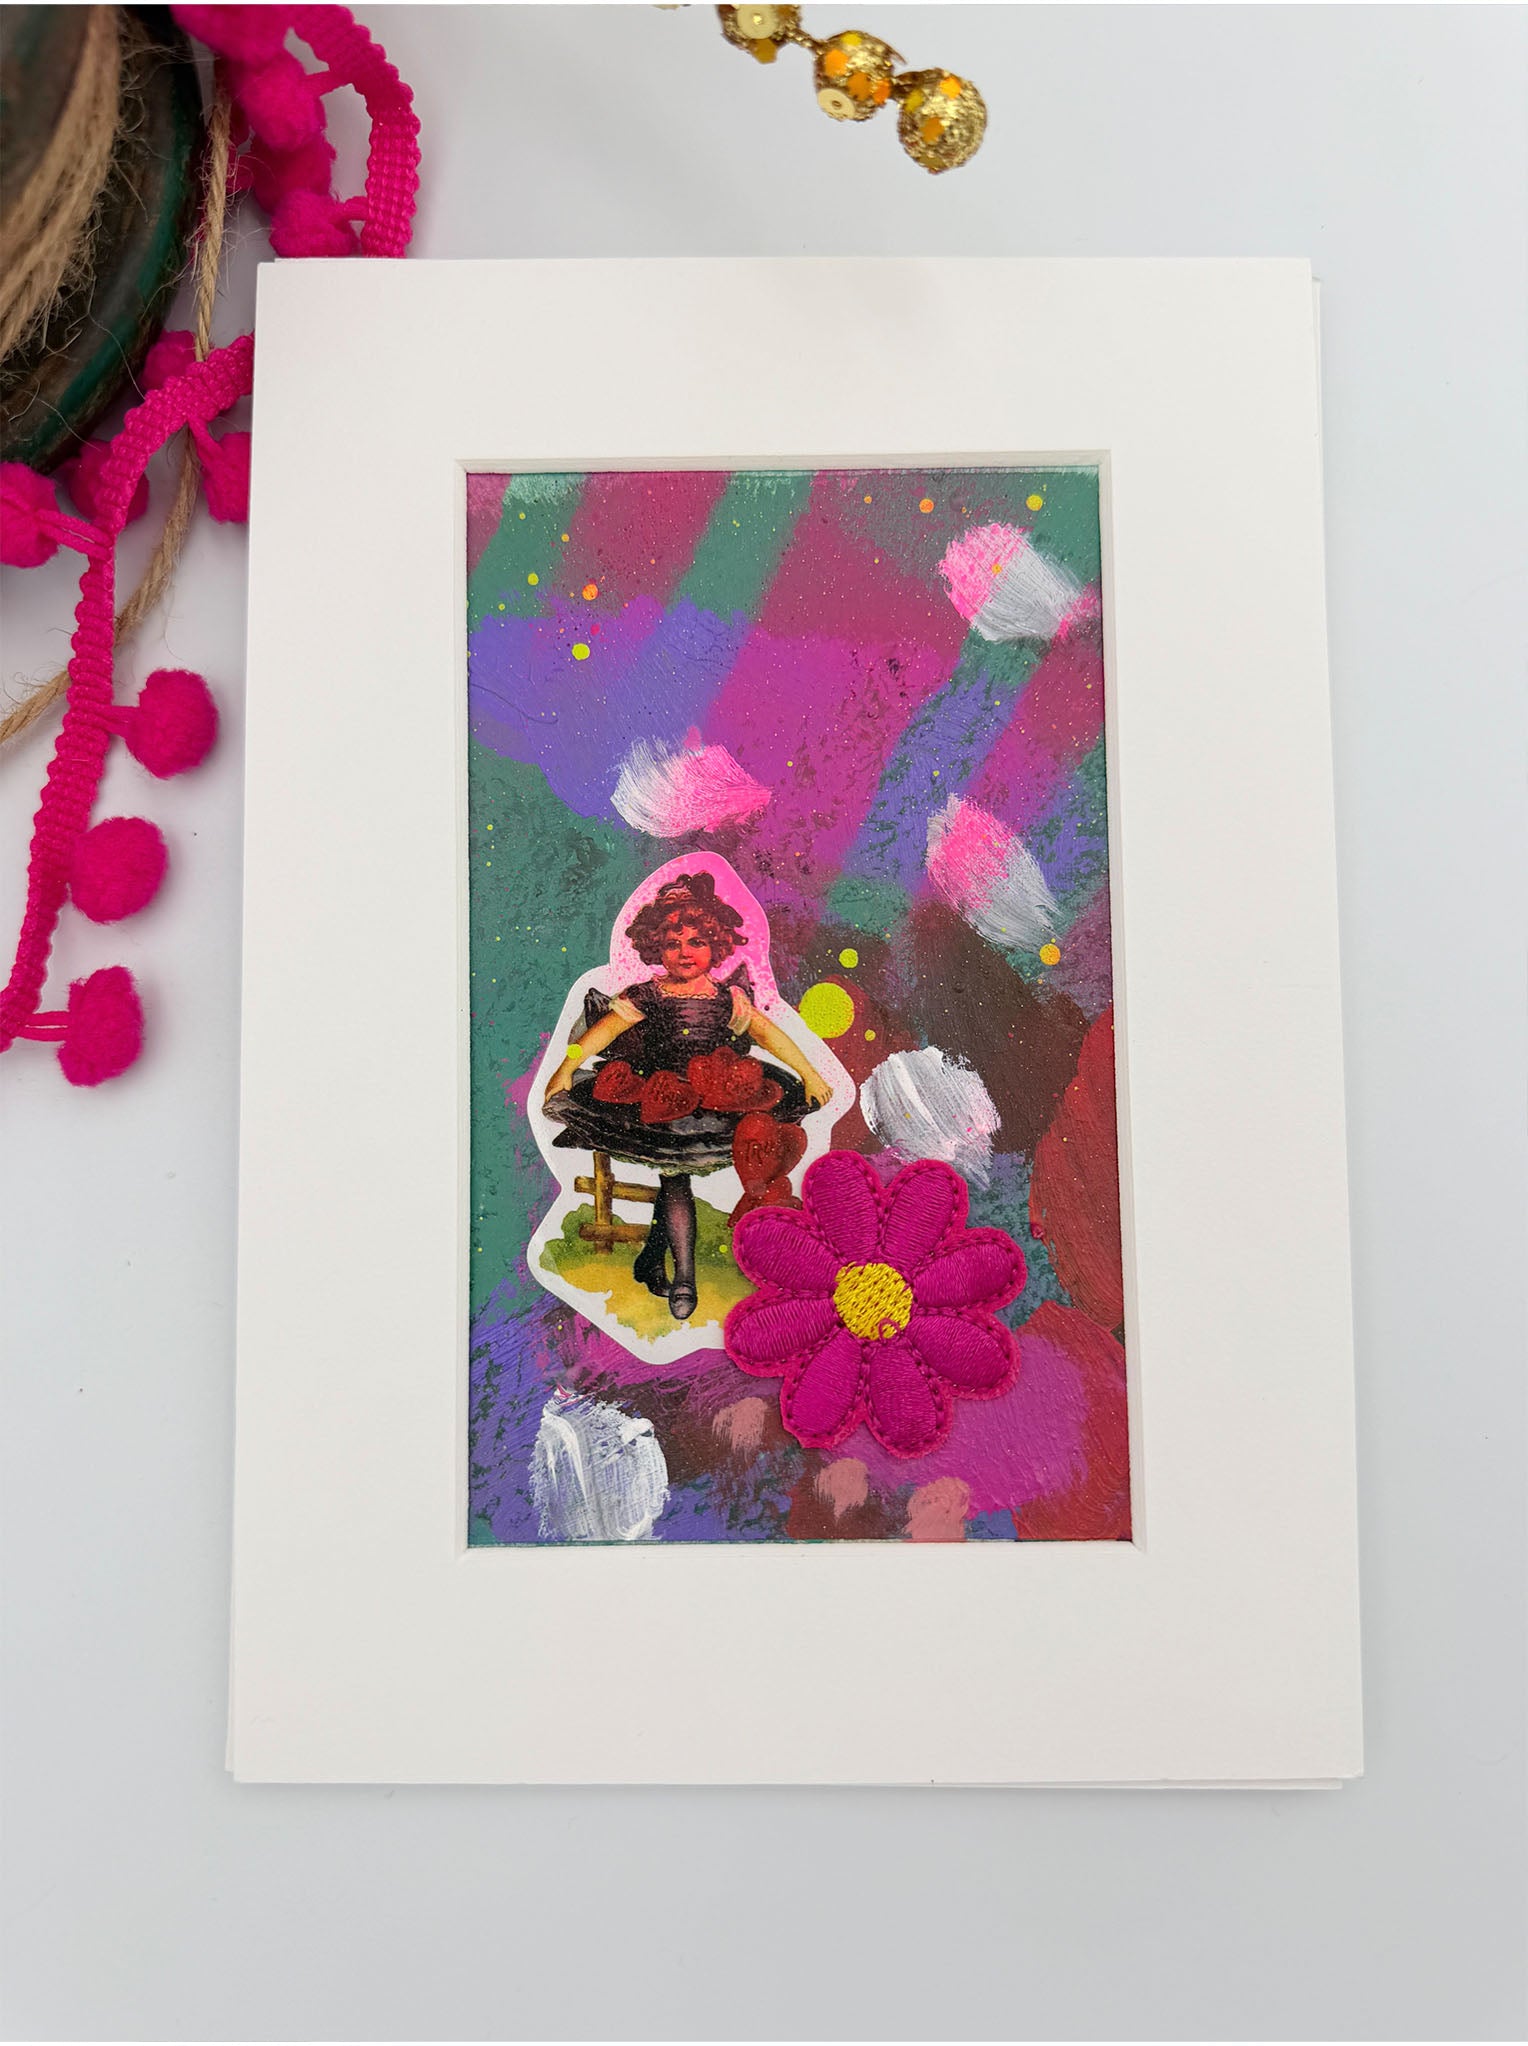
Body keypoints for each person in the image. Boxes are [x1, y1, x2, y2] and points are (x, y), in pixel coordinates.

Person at [542, 873, 831, 1321]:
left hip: (717, 1099)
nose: (684, 952)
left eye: (696, 941)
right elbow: (600, 1035)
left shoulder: (729, 999)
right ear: (655, 948)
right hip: (660, 1099)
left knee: (674, 1177)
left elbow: (769, 1036)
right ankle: (685, 1279)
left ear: (716, 944)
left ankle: (650, 1260)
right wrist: (565, 1068)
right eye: (672, 943)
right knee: (675, 1180)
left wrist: (809, 1074)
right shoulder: (647, 996)